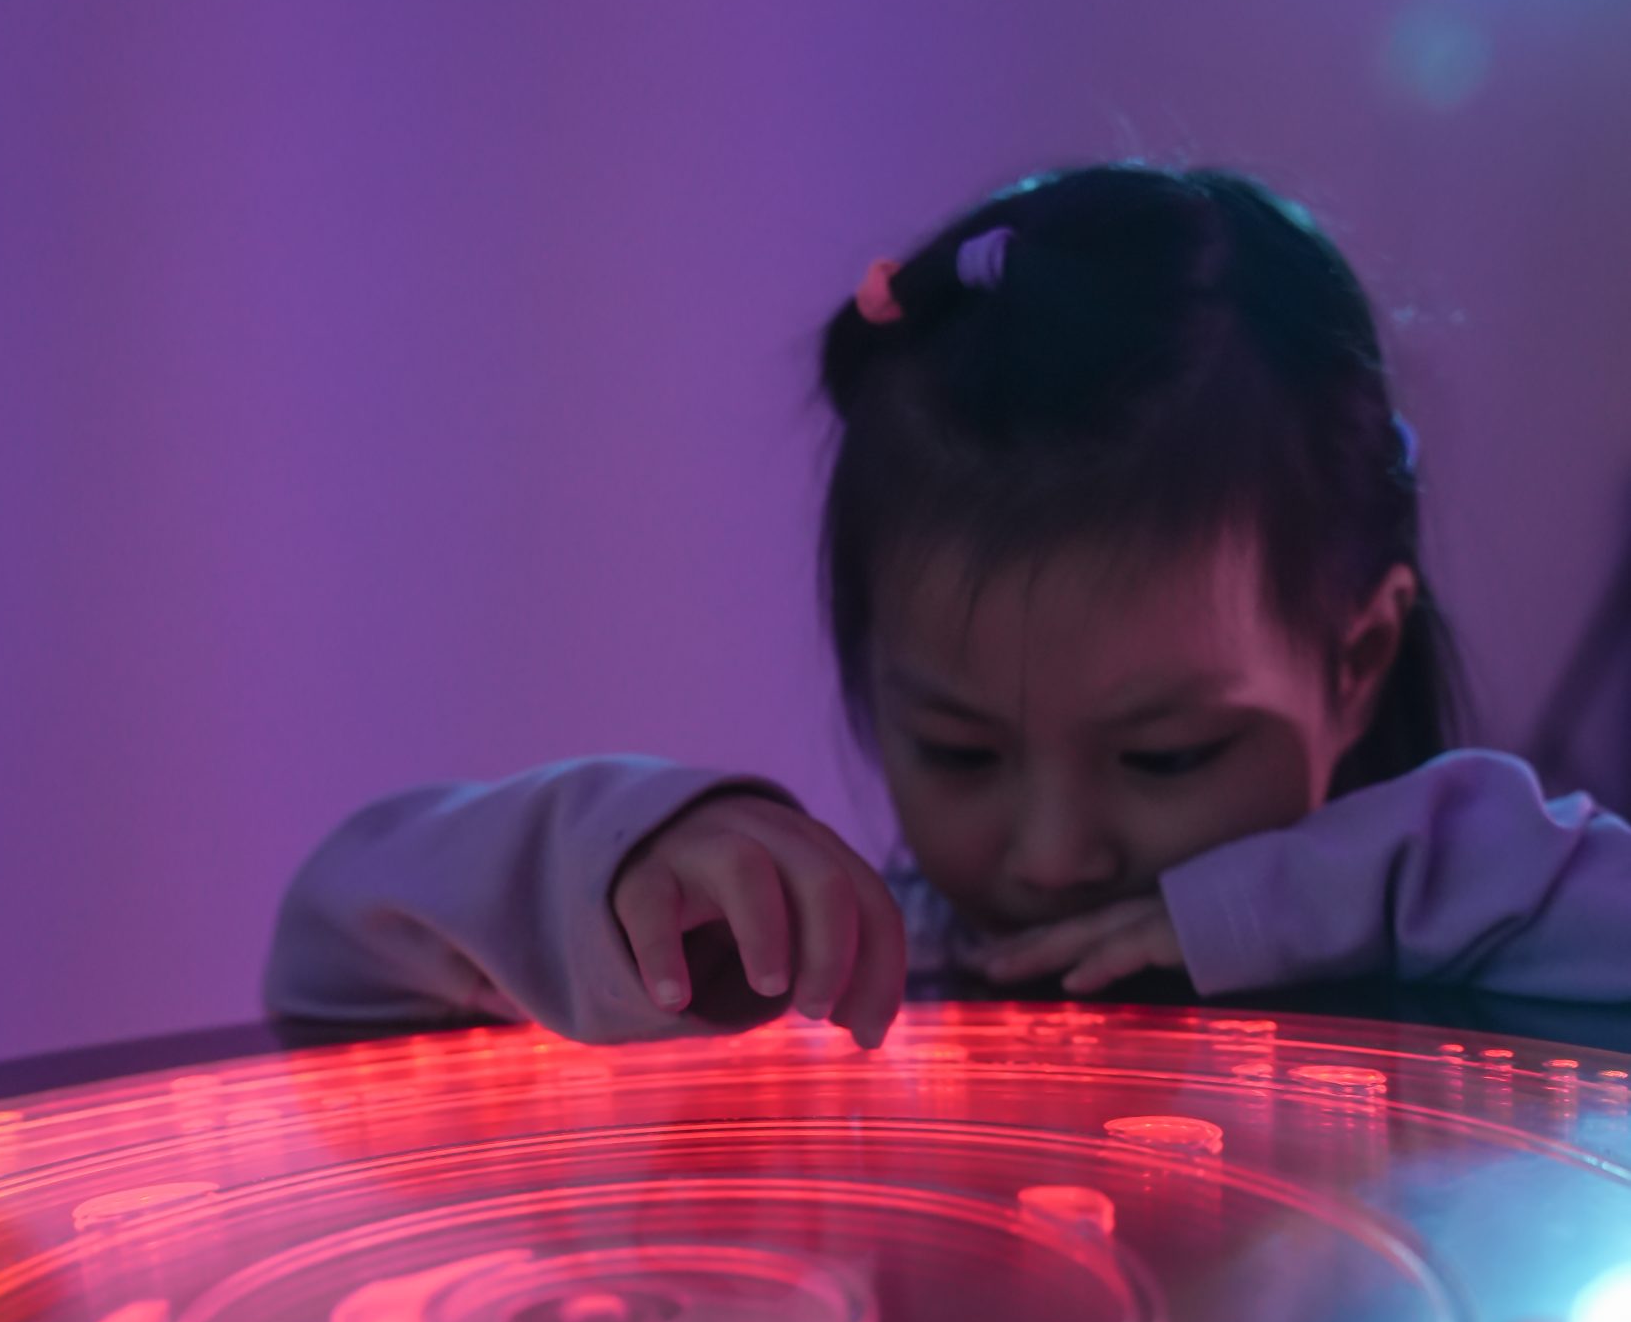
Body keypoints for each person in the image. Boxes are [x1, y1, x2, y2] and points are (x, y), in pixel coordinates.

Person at [264, 162, 1631, 1048]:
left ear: (1358, 660)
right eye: (961, 752)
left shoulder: (1477, 932)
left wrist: (1351, 893)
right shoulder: (880, 973)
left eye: (1165, 756)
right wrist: (630, 849)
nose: (1051, 852)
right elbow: (333, 947)